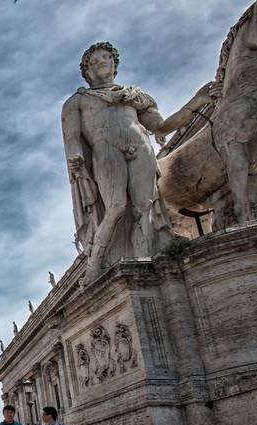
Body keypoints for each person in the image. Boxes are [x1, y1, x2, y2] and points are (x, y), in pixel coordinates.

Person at [62, 42, 218, 281]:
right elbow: (72, 137)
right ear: (87, 72)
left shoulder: (134, 97)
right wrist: (75, 156)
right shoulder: (77, 102)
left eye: (105, 58)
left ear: (114, 65)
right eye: (94, 62)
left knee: (143, 207)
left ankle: (146, 261)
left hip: (141, 148)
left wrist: (196, 102)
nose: (101, 63)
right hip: (106, 152)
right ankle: (95, 263)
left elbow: (161, 126)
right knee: (115, 206)